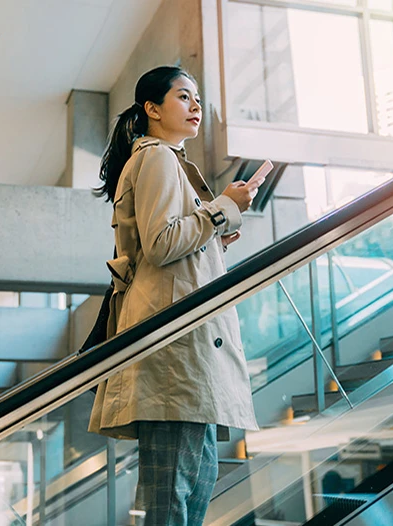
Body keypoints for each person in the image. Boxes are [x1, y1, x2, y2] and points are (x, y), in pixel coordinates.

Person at [88, 65, 259, 525]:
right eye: (183, 97)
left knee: (188, 488)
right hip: (173, 355)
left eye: (197, 98)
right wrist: (223, 208)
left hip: (182, 357)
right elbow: (163, 243)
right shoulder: (157, 157)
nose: (196, 106)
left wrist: (217, 228)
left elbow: (165, 244)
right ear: (152, 108)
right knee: (174, 498)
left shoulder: (165, 160)